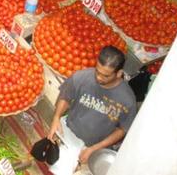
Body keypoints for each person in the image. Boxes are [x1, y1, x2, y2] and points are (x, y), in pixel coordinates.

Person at [47, 46, 137, 175]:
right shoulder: (82, 77)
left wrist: (95, 149)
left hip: (96, 146)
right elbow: (65, 95)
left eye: (105, 75)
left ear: (119, 74)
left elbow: (122, 129)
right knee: (57, 168)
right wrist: (56, 118)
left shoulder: (127, 100)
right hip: (69, 134)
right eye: (97, 71)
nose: (99, 78)